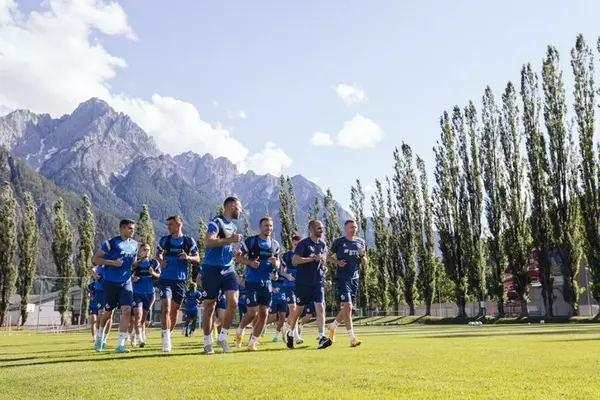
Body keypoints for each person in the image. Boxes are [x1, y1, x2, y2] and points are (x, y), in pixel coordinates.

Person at [201, 197, 243, 355]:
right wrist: (230, 240)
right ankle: (207, 342)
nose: (241, 211)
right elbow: (208, 242)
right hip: (211, 268)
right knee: (210, 306)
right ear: (232, 206)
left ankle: (223, 337)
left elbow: (225, 246)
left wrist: (234, 252)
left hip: (228, 268)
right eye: (239, 208)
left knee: (234, 301)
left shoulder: (233, 226)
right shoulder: (216, 223)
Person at [234, 217, 281, 351]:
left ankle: (252, 343)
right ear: (260, 227)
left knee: (264, 315)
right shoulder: (251, 241)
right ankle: (240, 330)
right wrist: (250, 263)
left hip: (267, 283)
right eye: (266, 226)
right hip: (252, 281)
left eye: (270, 226)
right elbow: (238, 257)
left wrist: (275, 264)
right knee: (252, 313)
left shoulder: (275, 244)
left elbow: (278, 264)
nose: (269, 228)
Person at [93, 219, 138, 353]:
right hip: (111, 283)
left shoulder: (135, 244)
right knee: (107, 313)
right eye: (130, 228)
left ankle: (120, 344)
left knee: (127, 310)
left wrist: (140, 262)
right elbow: (96, 259)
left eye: (133, 228)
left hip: (126, 282)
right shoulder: (111, 243)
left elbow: (132, 263)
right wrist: (113, 263)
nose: (132, 231)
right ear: (122, 229)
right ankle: (100, 335)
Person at [285, 220, 332, 350]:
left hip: (317, 281)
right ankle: (290, 332)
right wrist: (312, 259)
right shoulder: (303, 244)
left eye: (322, 228)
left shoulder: (322, 244)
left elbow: (322, 261)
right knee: (299, 309)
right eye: (319, 228)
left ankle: (322, 337)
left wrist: (323, 266)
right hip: (303, 282)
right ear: (311, 229)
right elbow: (295, 260)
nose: (322, 230)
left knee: (320, 307)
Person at [156, 215, 200, 352]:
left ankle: (168, 333)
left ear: (178, 225)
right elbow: (157, 254)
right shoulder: (164, 240)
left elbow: (198, 258)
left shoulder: (188, 241)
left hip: (180, 280)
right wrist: (161, 261)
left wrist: (188, 257)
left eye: (171, 224)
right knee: (166, 307)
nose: (168, 227)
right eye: (168, 224)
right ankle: (166, 340)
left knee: (175, 310)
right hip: (165, 279)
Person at [327, 220, 364, 347]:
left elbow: (365, 262)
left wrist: (362, 256)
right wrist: (338, 262)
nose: (354, 229)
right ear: (346, 228)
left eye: (355, 227)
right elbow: (328, 256)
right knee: (348, 306)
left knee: (348, 308)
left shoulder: (360, 242)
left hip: (355, 278)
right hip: (343, 278)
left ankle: (333, 326)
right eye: (351, 227)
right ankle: (352, 338)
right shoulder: (339, 242)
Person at [131, 243, 161, 348]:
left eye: (148, 249)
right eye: (144, 249)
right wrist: (132, 279)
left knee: (144, 320)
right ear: (139, 252)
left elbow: (159, 276)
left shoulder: (154, 262)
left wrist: (153, 273)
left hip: (149, 293)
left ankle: (134, 333)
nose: (146, 251)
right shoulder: (135, 264)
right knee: (137, 316)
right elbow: (126, 276)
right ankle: (140, 340)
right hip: (137, 293)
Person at [280, 235, 301, 341]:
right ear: (292, 243)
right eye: (295, 244)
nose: (296, 246)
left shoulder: (303, 255)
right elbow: (282, 271)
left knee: (297, 311)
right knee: (293, 309)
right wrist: (287, 275)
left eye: (298, 244)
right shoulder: (286, 256)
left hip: (300, 286)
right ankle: (295, 335)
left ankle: (285, 327)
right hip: (289, 286)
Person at [267, 270, 287, 342]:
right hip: (273, 301)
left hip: (282, 301)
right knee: (272, 318)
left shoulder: (283, 280)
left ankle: (276, 337)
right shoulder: (268, 281)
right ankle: (262, 325)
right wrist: (272, 289)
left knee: (282, 320)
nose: (275, 276)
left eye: (276, 274)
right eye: (273, 274)